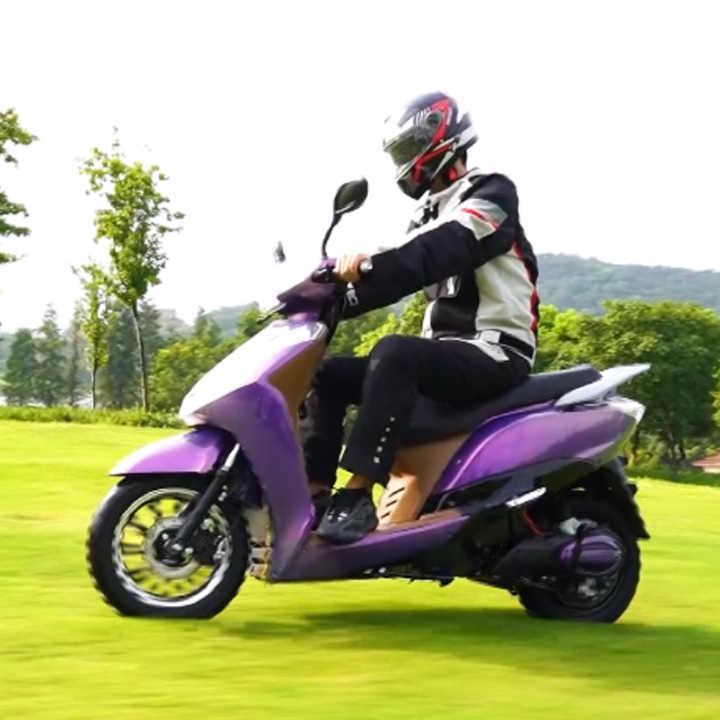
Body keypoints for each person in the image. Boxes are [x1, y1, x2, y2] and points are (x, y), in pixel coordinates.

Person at [300, 91, 539, 544]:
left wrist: (370, 263)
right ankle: (315, 497)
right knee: (325, 374)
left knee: (395, 351)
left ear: (443, 140)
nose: (405, 163)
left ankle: (357, 496)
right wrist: (323, 298)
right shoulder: (427, 213)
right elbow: (397, 273)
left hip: (495, 352)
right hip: (446, 356)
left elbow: (440, 249)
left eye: (410, 150)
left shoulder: (493, 193)